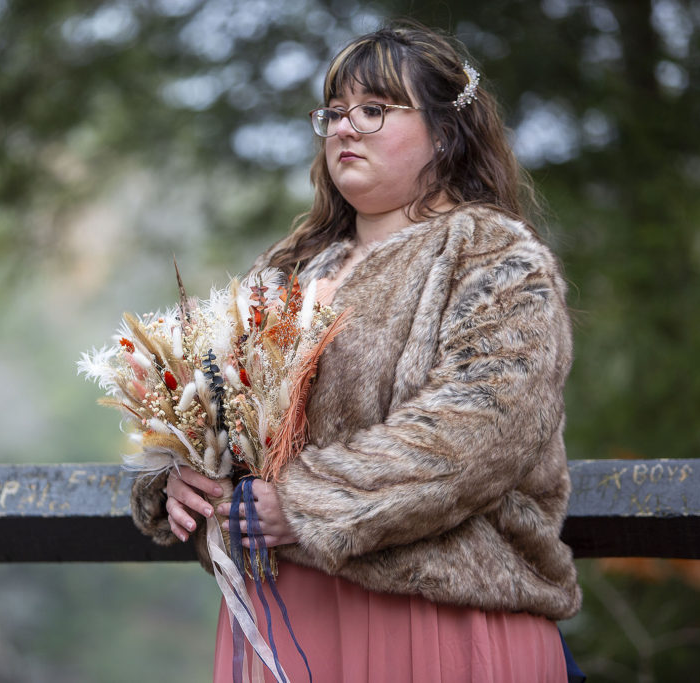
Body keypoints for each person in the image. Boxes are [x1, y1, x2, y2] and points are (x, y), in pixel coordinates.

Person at [130, 21, 582, 682]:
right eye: (335, 113)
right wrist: (182, 477)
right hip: (283, 616)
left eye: (374, 110)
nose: (344, 127)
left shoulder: (496, 258)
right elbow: (211, 408)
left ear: (446, 130)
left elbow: (481, 428)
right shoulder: (286, 272)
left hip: (437, 622)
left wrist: (307, 504)